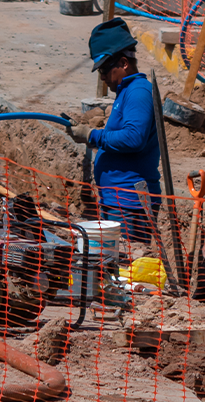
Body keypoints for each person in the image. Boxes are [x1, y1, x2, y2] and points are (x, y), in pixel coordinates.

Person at [68, 17, 161, 243]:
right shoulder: (126, 91)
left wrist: (92, 136)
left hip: (130, 201)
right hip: (119, 199)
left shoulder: (138, 92)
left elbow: (133, 138)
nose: (102, 77)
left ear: (123, 63)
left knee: (128, 266)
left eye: (105, 70)